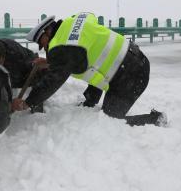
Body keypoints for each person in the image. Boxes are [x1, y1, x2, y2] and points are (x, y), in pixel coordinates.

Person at [12, 13, 166, 126]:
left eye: (42, 43)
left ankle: (155, 119)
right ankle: (90, 101)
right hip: (135, 60)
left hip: (131, 75)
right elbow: (80, 53)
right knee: (94, 67)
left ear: (46, 32)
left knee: (111, 120)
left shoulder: (63, 48)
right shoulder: (74, 21)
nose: (43, 47)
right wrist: (50, 61)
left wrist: (28, 102)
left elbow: (53, 80)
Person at [0, 38, 47, 113]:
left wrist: (26, 103)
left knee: (38, 75)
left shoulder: (17, 57)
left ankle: (36, 110)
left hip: (28, 66)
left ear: (3, 57)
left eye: (0, 63)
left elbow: (34, 66)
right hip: (10, 67)